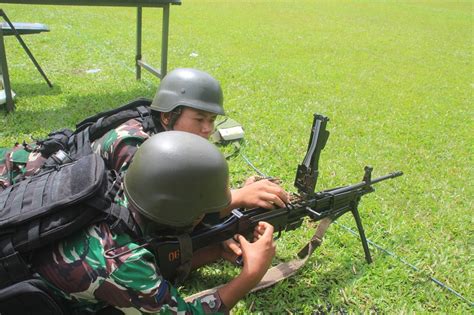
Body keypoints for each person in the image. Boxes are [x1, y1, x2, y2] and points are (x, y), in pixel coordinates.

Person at [32, 131, 276, 314]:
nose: (204, 217)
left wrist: (213, 251)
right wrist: (251, 274)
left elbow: (153, 245)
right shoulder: (124, 263)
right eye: (202, 212)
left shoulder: (119, 188)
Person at [91, 68, 289, 213]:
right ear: (168, 116)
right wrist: (236, 198)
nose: (207, 129)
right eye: (199, 119)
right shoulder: (134, 145)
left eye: (212, 120)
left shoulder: (171, 137)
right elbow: (155, 215)